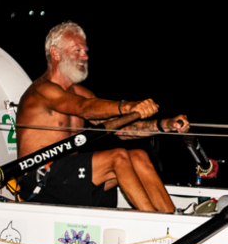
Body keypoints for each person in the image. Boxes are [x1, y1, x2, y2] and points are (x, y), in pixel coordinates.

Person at [16, 21, 188, 212]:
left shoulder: (80, 92)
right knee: (117, 157)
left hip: (65, 179)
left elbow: (122, 130)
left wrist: (165, 124)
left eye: (85, 50)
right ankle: (153, 223)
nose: (85, 56)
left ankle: (174, 218)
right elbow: (85, 108)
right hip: (39, 180)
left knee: (138, 156)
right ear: (55, 53)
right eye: (78, 50)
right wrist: (129, 106)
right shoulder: (42, 90)